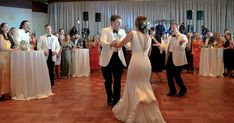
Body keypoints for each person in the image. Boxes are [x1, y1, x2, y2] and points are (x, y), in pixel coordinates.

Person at [112, 16, 166, 123]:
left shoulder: (132, 33)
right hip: (146, 63)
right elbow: (149, 53)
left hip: (136, 63)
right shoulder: (149, 37)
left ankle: (132, 112)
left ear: (136, 24)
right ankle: (148, 113)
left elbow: (119, 45)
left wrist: (115, 41)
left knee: (133, 86)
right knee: (145, 85)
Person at [99, 15, 128, 106]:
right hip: (107, 58)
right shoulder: (105, 30)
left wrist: (136, 47)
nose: (120, 24)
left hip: (118, 58)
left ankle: (116, 101)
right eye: (118, 22)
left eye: (120, 23)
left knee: (117, 81)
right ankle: (109, 97)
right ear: (112, 23)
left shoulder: (122, 31)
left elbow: (126, 44)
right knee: (108, 81)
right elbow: (102, 42)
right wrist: (110, 44)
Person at [163, 22, 188, 96]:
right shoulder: (170, 37)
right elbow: (166, 47)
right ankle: (172, 90)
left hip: (178, 58)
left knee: (177, 76)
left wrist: (180, 44)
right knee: (168, 75)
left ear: (177, 27)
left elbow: (183, 48)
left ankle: (183, 89)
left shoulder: (182, 36)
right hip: (170, 57)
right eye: (171, 27)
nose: (172, 29)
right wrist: (160, 45)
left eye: (173, 27)